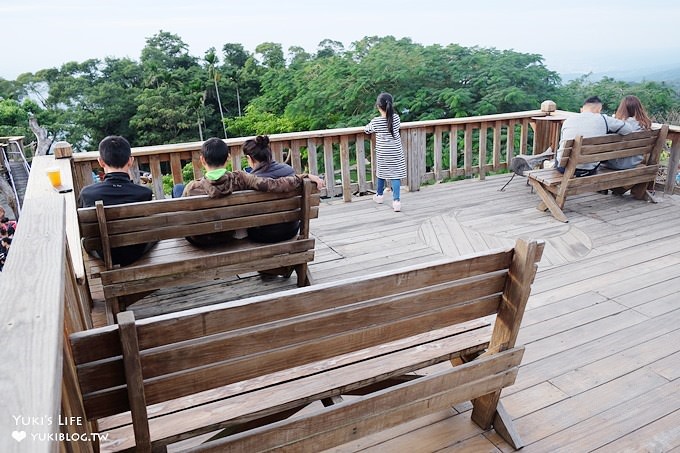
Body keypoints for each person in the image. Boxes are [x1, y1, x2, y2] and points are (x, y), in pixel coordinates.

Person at [181, 137, 324, 245]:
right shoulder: (242, 178)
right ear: (228, 158)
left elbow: (182, 217)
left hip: (198, 240)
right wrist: (302, 177)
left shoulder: (192, 188)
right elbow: (274, 184)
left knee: (177, 190)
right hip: (227, 235)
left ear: (202, 160)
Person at [78, 135, 154, 266]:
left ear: (101, 162)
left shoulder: (87, 193)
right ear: (130, 161)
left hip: (103, 255)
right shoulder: (144, 193)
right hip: (136, 252)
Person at [556, 96, 634, 176]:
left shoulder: (568, 120)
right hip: (588, 170)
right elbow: (628, 129)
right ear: (599, 110)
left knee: (558, 155)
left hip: (564, 168)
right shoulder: (604, 119)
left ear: (582, 109)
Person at [243, 135, 300, 243]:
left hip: (263, 234)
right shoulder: (289, 171)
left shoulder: (251, 181)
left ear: (249, 158)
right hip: (291, 230)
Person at [364, 92, 407, 212]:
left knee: (381, 174)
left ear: (378, 106)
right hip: (396, 152)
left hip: (383, 153)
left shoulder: (376, 121)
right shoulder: (396, 118)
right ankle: (397, 201)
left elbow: (367, 130)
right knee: (395, 176)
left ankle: (379, 196)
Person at [602, 95, 652, 170]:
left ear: (622, 109)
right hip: (635, 162)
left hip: (617, 163)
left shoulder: (621, 125)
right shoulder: (645, 124)